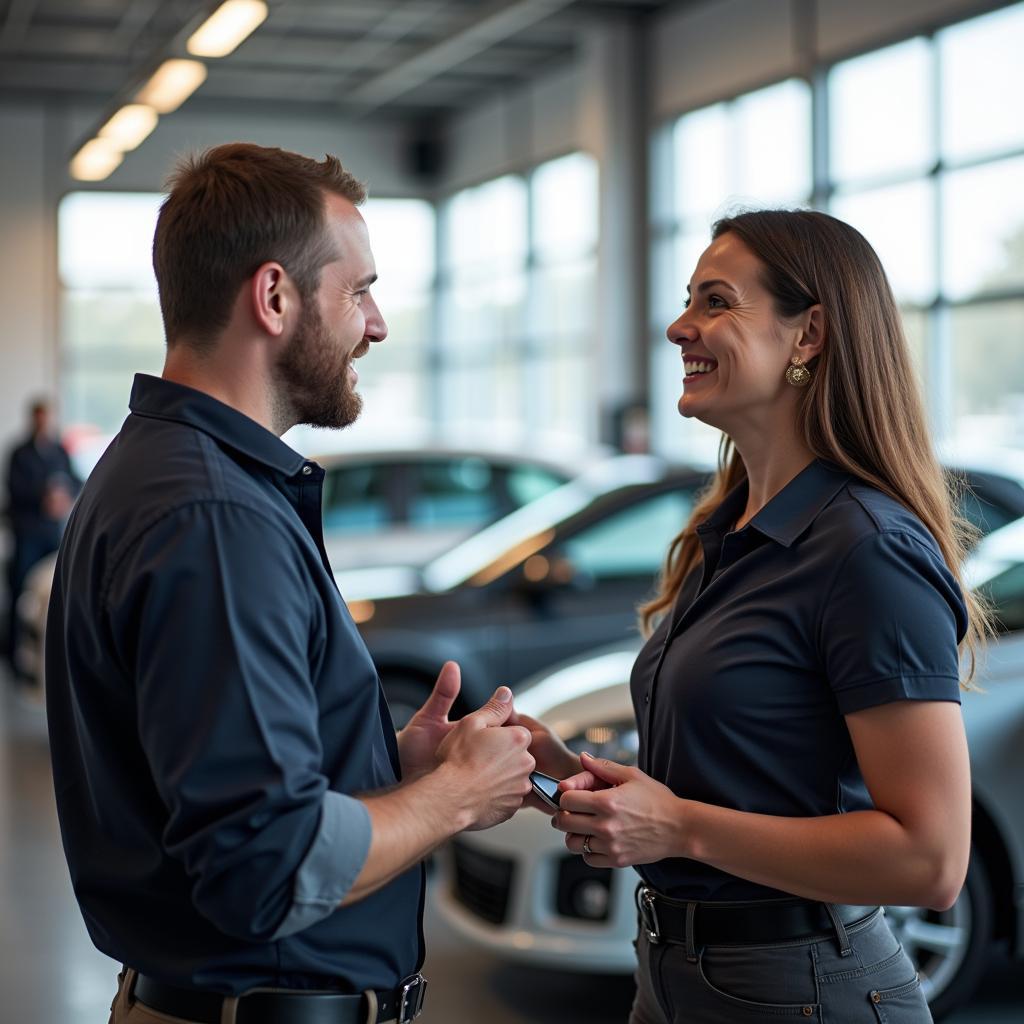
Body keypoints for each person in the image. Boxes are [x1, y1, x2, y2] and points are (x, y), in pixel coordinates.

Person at [45, 143, 536, 1024]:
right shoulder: (213, 516)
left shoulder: (160, 472)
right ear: (274, 297)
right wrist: (451, 798)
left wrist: (384, 769)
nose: (377, 324)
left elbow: (210, 782)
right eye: (358, 291)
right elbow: (261, 864)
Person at [521, 210, 988, 1023]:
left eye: (715, 302)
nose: (678, 326)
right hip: (672, 973)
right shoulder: (730, 529)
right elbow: (742, 781)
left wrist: (677, 828)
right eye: (687, 300)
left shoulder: (866, 550)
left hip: (802, 988)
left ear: (807, 335)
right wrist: (566, 776)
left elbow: (930, 858)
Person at [4, 397, 78, 681]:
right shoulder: (19, 453)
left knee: (53, 594)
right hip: (27, 534)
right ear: (32, 418)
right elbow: (14, 490)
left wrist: (63, 496)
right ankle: (14, 661)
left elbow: (74, 480)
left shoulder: (59, 451)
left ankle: (50, 658)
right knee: (20, 591)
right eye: (39, 417)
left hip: (52, 534)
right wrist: (43, 497)